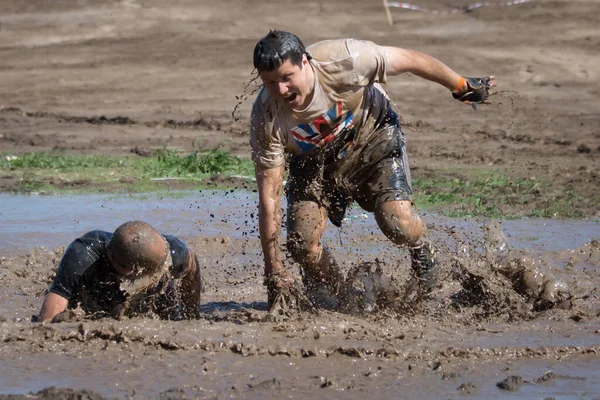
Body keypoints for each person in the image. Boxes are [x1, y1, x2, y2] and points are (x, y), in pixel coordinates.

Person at [250, 30, 496, 312]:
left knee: (397, 224)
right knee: (301, 243)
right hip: (313, 161)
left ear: (305, 62)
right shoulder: (266, 118)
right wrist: (274, 271)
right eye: (270, 83)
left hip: (372, 135)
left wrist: (461, 85)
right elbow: (269, 197)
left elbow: (410, 60)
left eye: (286, 77)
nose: (281, 90)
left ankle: (421, 249)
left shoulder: (345, 60)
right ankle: (339, 297)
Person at [37, 220, 203, 322]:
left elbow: (192, 268)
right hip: (100, 285)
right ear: (130, 270)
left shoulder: (174, 252)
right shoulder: (84, 254)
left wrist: (191, 315)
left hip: (156, 295)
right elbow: (57, 299)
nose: (166, 263)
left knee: (170, 314)